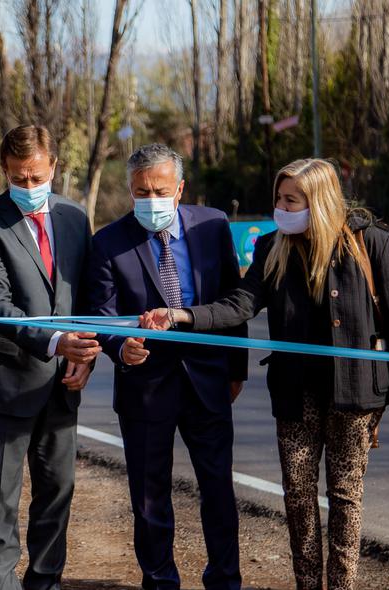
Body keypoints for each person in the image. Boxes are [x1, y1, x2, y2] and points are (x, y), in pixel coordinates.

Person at [142, 158, 389, 590]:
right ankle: (307, 584)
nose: (281, 206)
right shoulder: (272, 246)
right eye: (279, 197)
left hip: (355, 394)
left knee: (346, 496)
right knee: (297, 494)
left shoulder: (371, 243)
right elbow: (238, 305)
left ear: (319, 201)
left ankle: (343, 584)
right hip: (295, 393)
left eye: (291, 199)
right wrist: (180, 315)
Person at [85, 143, 248, 590]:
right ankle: (159, 581)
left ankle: (225, 580)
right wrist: (121, 348)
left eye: (160, 190)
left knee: (217, 490)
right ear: (129, 190)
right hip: (146, 386)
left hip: (208, 381)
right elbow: (101, 315)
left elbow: (233, 300)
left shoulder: (212, 225)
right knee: (150, 497)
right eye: (141, 191)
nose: (150, 200)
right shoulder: (108, 243)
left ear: (180, 189)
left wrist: (237, 368)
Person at [0, 124, 98, 590]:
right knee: (1, 497)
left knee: (58, 491)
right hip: (3, 382)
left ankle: (46, 581)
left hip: (62, 382)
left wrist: (86, 353)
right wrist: (57, 342)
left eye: (38, 177)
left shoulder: (76, 218)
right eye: (20, 179)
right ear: (5, 172)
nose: (30, 188)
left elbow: (86, 298)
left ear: (54, 166)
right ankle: (3, 584)